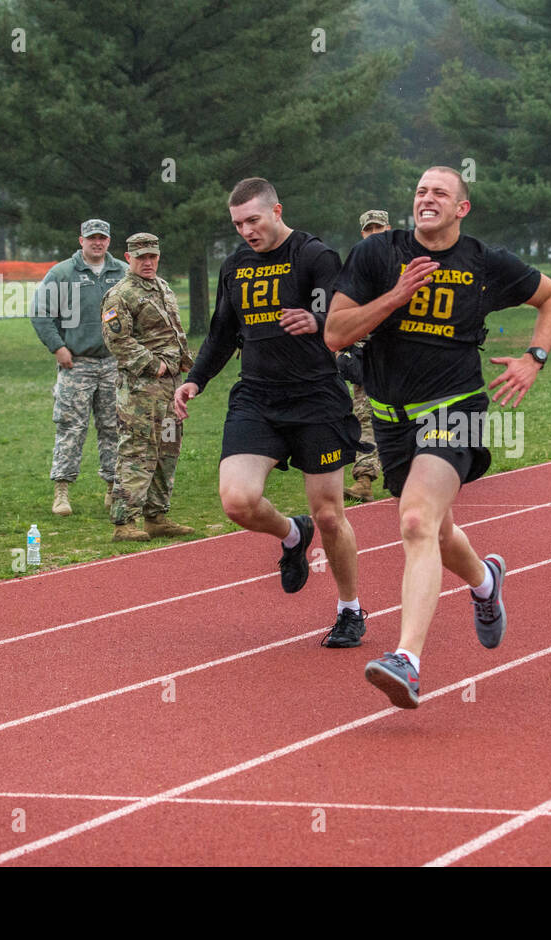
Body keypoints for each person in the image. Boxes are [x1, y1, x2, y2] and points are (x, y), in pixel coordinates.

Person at [326, 165, 551, 708]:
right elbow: (336, 334)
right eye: (419, 191)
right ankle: (485, 582)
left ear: (462, 208)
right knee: (435, 531)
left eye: (440, 192)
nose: (426, 199)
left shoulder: (484, 262)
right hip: (390, 416)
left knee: (414, 519)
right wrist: (394, 296)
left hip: (456, 409)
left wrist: (535, 358)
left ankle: (406, 660)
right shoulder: (376, 255)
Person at [174, 178, 368, 648]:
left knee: (329, 514)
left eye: (253, 220)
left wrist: (317, 321)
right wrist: (195, 379)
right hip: (257, 397)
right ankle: (290, 535)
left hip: (316, 398)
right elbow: (222, 331)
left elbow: (344, 316)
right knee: (236, 501)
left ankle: (350, 610)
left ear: (276, 210)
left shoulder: (314, 256)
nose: (245, 231)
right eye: (237, 223)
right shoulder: (236, 266)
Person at [101, 232, 195, 542]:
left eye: (152, 256)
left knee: (167, 448)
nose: (148, 262)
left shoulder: (162, 287)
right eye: (141, 257)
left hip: (169, 389)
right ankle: (124, 522)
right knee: (137, 449)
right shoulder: (120, 294)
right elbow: (117, 340)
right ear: (128, 258)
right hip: (141, 390)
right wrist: (154, 365)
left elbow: (175, 330)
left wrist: (184, 361)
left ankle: (156, 516)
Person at [31, 218, 127, 517]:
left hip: (114, 364)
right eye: (91, 238)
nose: (97, 243)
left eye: (102, 238)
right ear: (81, 240)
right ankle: (62, 491)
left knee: (115, 427)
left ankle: (113, 488)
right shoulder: (62, 273)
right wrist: (58, 347)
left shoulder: (122, 273)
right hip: (77, 364)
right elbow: (40, 313)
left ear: (109, 241)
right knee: (70, 428)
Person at [340, 209, 389, 502]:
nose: (374, 233)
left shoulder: (403, 263)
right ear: (362, 233)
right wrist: (348, 348)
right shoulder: (355, 268)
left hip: (404, 357)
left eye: (378, 228)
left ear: (388, 229)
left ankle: (414, 471)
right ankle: (365, 479)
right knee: (365, 417)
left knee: (412, 416)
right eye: (369, 229)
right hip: (367, 358)